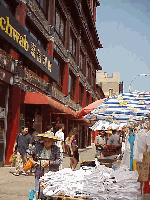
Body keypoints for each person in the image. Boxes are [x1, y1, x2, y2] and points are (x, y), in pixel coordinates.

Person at [28, 133, 61, 198]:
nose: (46, 143)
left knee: (49, 191)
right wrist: (33, 162)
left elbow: (59, 161)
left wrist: (49, 163)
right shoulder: (38, 147)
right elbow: (28, 154)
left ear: (52, 142)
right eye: (45, 141)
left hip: (51, 173)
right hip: (39, 171)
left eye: (48, 141)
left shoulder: (56, 149)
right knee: (38, 189)